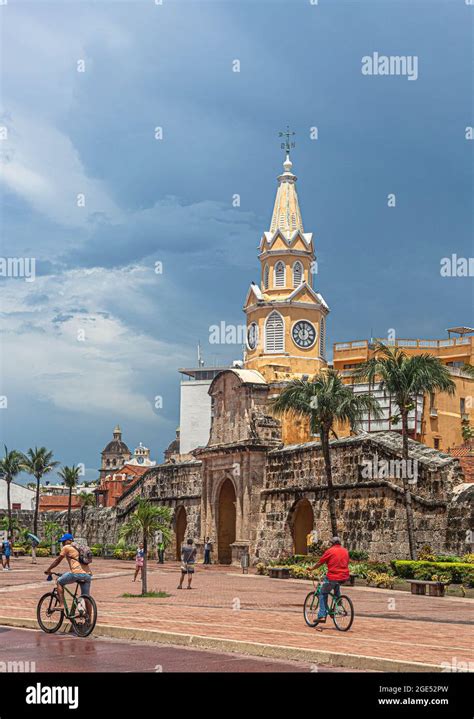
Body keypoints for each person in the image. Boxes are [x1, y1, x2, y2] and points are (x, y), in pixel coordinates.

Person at [308, 537, 350, 624]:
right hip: (344, 576)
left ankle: (322, 615)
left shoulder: (330, 551)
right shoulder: (345, 551)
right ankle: (339, 604)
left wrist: (312, 569)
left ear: (332, 543)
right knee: (336, 586)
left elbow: (320, 562)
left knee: (322, 593)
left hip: (333, 576)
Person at [44, 533, 92, 608]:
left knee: (59, 581)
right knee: (86, 598)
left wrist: (49, 569)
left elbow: (57, 560)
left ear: (69, 540)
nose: (63, 543)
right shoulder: (79, 547)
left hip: (76, 573)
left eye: (64, 541)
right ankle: (89, 618)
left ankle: (62, 604)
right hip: (88, 574)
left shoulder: (67, 547)